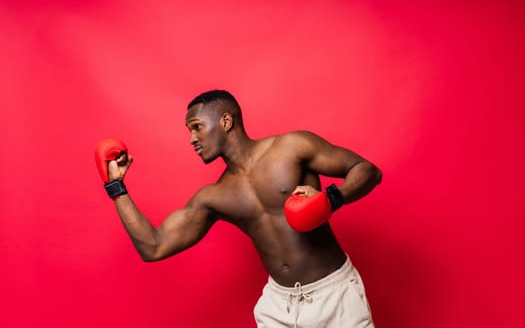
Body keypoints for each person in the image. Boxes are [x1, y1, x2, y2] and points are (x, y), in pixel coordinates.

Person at [94, 90, 382, 327]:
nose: (192, 139)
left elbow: (367, 171)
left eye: (196, 127)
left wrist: (330, 199)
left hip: (334, 296)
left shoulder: (292, 147)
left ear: (226, 121)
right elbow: (153, 247)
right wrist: (116, 187)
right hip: (279, 308)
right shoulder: (215, 196)